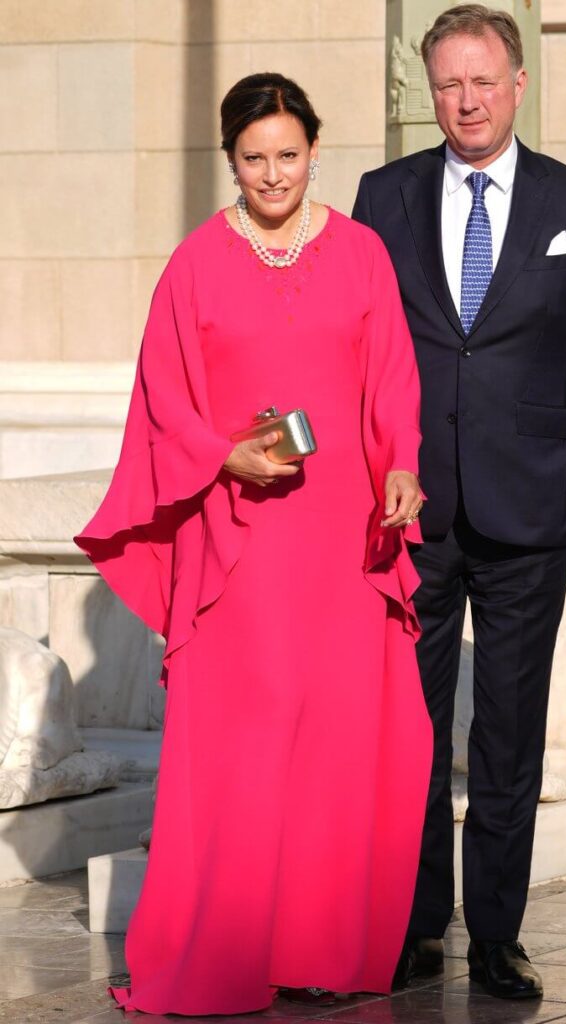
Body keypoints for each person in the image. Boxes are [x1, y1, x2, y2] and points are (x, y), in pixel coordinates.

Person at [75, 73, 433, 1017]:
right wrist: (221, 452)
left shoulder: (361, 254)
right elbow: (162, 400)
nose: (273, 174)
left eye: (288, 153)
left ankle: (323, 948)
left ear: (316, 150)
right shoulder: (193, 264)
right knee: (247, 738)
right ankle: (229, 947)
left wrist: (402, 466)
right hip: (239, 541)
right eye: (253, 158)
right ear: (229, 161)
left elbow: (391, 380)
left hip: (344, 534)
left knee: (341, 738)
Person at [353, 4, 566, 1002]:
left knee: (508, 731)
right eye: (448, 83)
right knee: (412, 730)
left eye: (482, 80)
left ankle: (498, 936)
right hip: (409, 511)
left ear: (518, 84)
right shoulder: (381, 197)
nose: (466, 100)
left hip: (532, 512)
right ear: (427, 89)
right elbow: (352, 349)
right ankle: (419, 922)